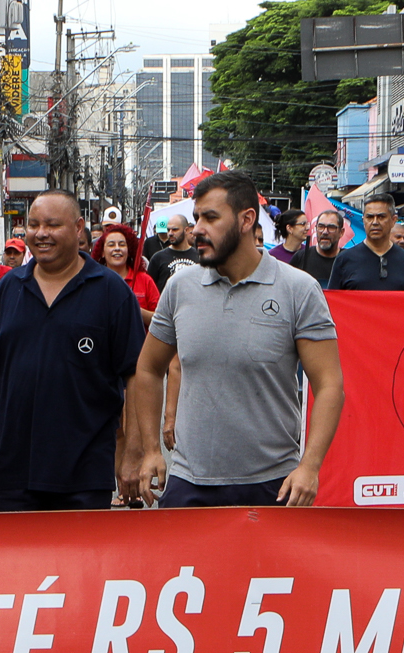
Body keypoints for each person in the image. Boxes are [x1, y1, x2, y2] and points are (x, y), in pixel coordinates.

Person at [120, 170, 343, 508]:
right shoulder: (180, 288)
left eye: (210, 217)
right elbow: (149, 369)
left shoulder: (299, 289)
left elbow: (329, 385)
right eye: (196, 218)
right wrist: (152, 449)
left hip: (272, 485)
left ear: (246, 219)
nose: (197, 230)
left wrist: (309, 467)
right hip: (188, 483)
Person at [0, 190, 146, 510]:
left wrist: (133, 452)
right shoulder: (8, 289)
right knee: (17, 561)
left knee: (81, 562)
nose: (41, 234)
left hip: (85, 475)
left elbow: (136, 377)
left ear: (78, 229)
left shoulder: (111, 292)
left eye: (52, 224)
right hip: (14, 473)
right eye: (33, 225)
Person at [329, 198, 404, 291]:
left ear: (393, 220)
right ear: (363, 220)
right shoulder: (344, 259)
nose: (375, 222)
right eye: (370, 217)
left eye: (381, 217)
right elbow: (332, 301)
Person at [95, 222, 161, 313]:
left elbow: (160, 320)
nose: (117, 249)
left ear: (129, 250)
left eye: (122, 244)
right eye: (111, 245)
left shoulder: (145, 281)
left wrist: (134, 308)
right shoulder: (95, 281)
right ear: (102, 252)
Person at [291, 209, 346, 285]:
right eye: (321, 226)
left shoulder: (348, 260)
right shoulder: (301, 257)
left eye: (331, 227)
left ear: (341, 232)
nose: (325, 232)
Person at [150, 214, 195, 287]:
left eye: (175, 229)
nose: (170, 233)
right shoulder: (158, 258)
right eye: (168, 230)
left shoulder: (199, 256)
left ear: (186, 230)